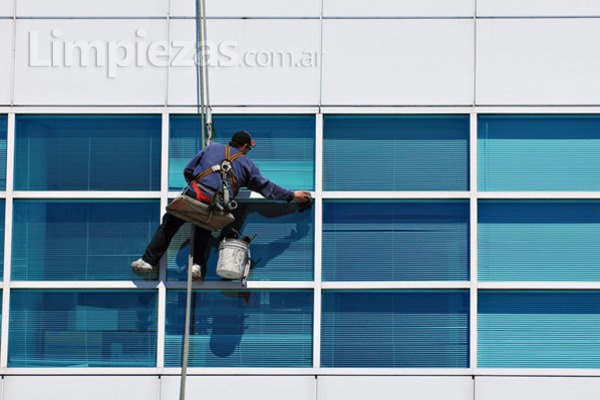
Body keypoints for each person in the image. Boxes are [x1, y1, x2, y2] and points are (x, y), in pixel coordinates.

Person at [131, 130, 312, 280]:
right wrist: (292, 196)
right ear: (244, 146)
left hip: (194, 194)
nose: (248, 151)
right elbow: (266, 188)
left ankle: (148, 261)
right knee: (204, 229)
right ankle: (197, 266)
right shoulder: (247, 164)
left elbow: (188, 170)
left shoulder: (211, 149)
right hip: (214, 204)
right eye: (249, 148)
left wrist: (198, 186)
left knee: (169, 226)